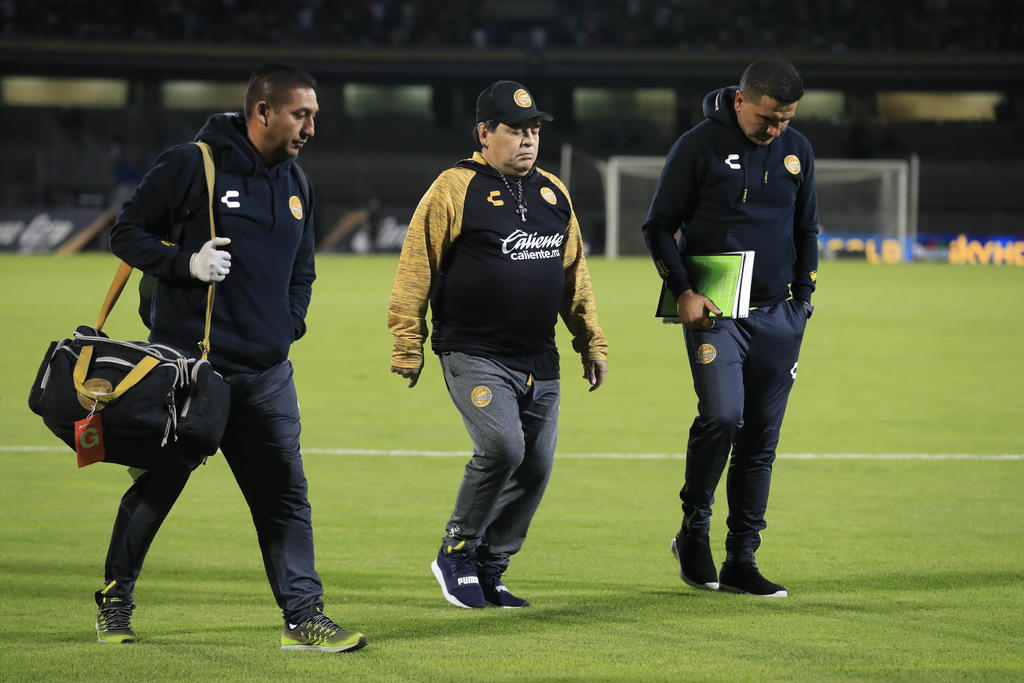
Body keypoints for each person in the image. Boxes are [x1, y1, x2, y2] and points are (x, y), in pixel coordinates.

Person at [98, 64, 367, 652]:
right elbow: (126, 233)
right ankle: (115, 600)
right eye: (301, 115)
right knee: (158, 487)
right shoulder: (193, 164)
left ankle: (303, 618)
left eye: (314, 116)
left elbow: (303, 272)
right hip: (191, 373)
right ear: (263, 112)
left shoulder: (298, 183)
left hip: (266, 377)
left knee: (284, 497)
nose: (311, 129)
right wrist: (185, 264)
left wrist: (287, 326)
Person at [388, 80, 608, 609]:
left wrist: (590, 342)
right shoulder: (453, 188)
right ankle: (456, 551)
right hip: (474, 352)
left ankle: (491, 567)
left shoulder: (554, 193)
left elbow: (574, 277)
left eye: (533, 130)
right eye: (515, 130)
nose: (528, 140)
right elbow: (416, 265)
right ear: (484, 133)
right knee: (504, 448)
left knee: (535, 467)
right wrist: (407, 342)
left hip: (540, 358)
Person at [642, 59, 818, 597]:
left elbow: (807, 227)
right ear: (741, 101)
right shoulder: (698, 146)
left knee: (761, 439)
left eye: (785, 119)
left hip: (779, 315)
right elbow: (658, 226)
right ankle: (693, 529)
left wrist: (804, 301)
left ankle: (742, 558)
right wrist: (683, 290)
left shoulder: (798, 150)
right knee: (722, 416)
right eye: (767, 117)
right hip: (715, 311)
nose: (776, 129)